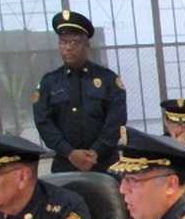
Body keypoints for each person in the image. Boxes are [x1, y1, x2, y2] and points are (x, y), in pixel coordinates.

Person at [33, 10, 126, 174]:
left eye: (74, 42)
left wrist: (96, 151)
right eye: (63, 42)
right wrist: (69, 152)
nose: (68, 48)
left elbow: (116, 121)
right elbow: (43, 122)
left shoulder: (108, 79)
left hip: (104, 163)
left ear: (86, 44)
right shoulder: (49, 82)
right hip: (65, 163)